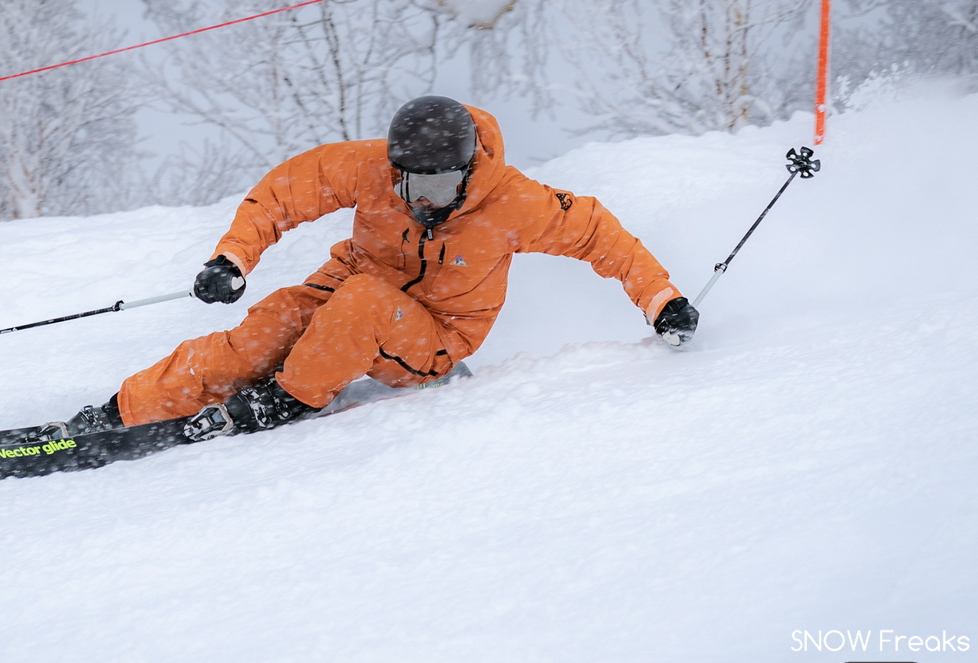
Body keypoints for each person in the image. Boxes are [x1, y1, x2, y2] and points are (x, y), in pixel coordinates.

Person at [58, 95, 698, 441]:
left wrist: (662, 299)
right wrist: (231, 258)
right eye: (415, 181)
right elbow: (285, 190)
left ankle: (286, 401)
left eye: (444, 182)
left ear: (470, 169)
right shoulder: (371, 170)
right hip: (349, 293)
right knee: (272, 322)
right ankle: (124, 410)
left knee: (362, 302)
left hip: (435, 337)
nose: (426, 198)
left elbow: (601, 237)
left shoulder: (513, 202)